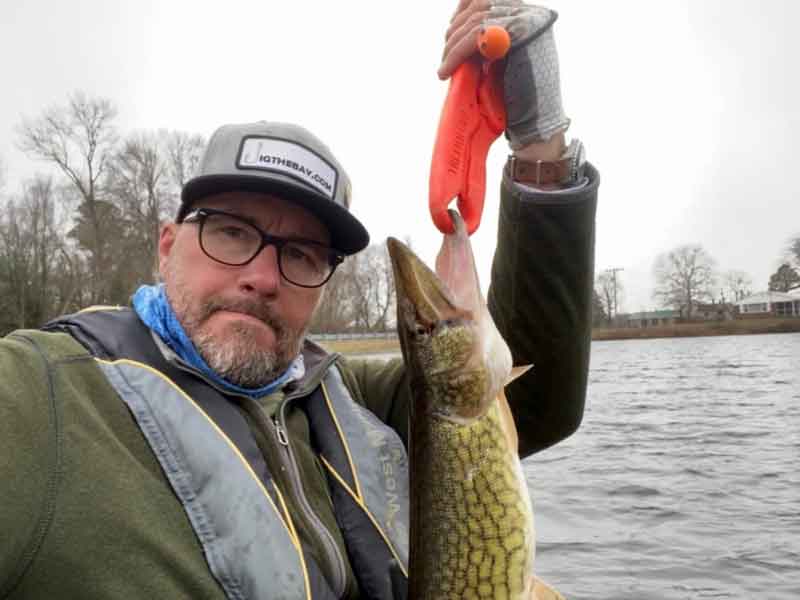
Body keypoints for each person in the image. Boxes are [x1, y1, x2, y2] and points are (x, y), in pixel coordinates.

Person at [0, 2, 598, 599]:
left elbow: (534, 394)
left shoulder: (353, 403)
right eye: (231, 231)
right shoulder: (38, 393)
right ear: (167, 244)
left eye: (301, 253)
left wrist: (539, 138)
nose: (264, 276)